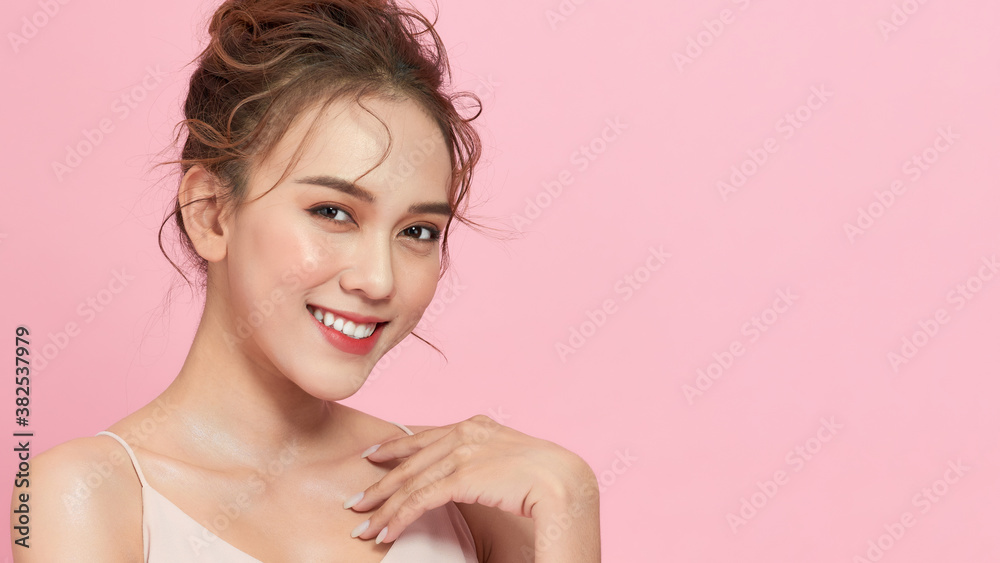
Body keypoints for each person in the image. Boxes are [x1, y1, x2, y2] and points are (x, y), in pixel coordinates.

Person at [10, 1, 601, 561]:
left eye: (418, 231)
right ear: (210, 212)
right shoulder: (82, 497)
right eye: (333, 213)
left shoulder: (476, 496)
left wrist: (571, 502)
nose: (378, 279)